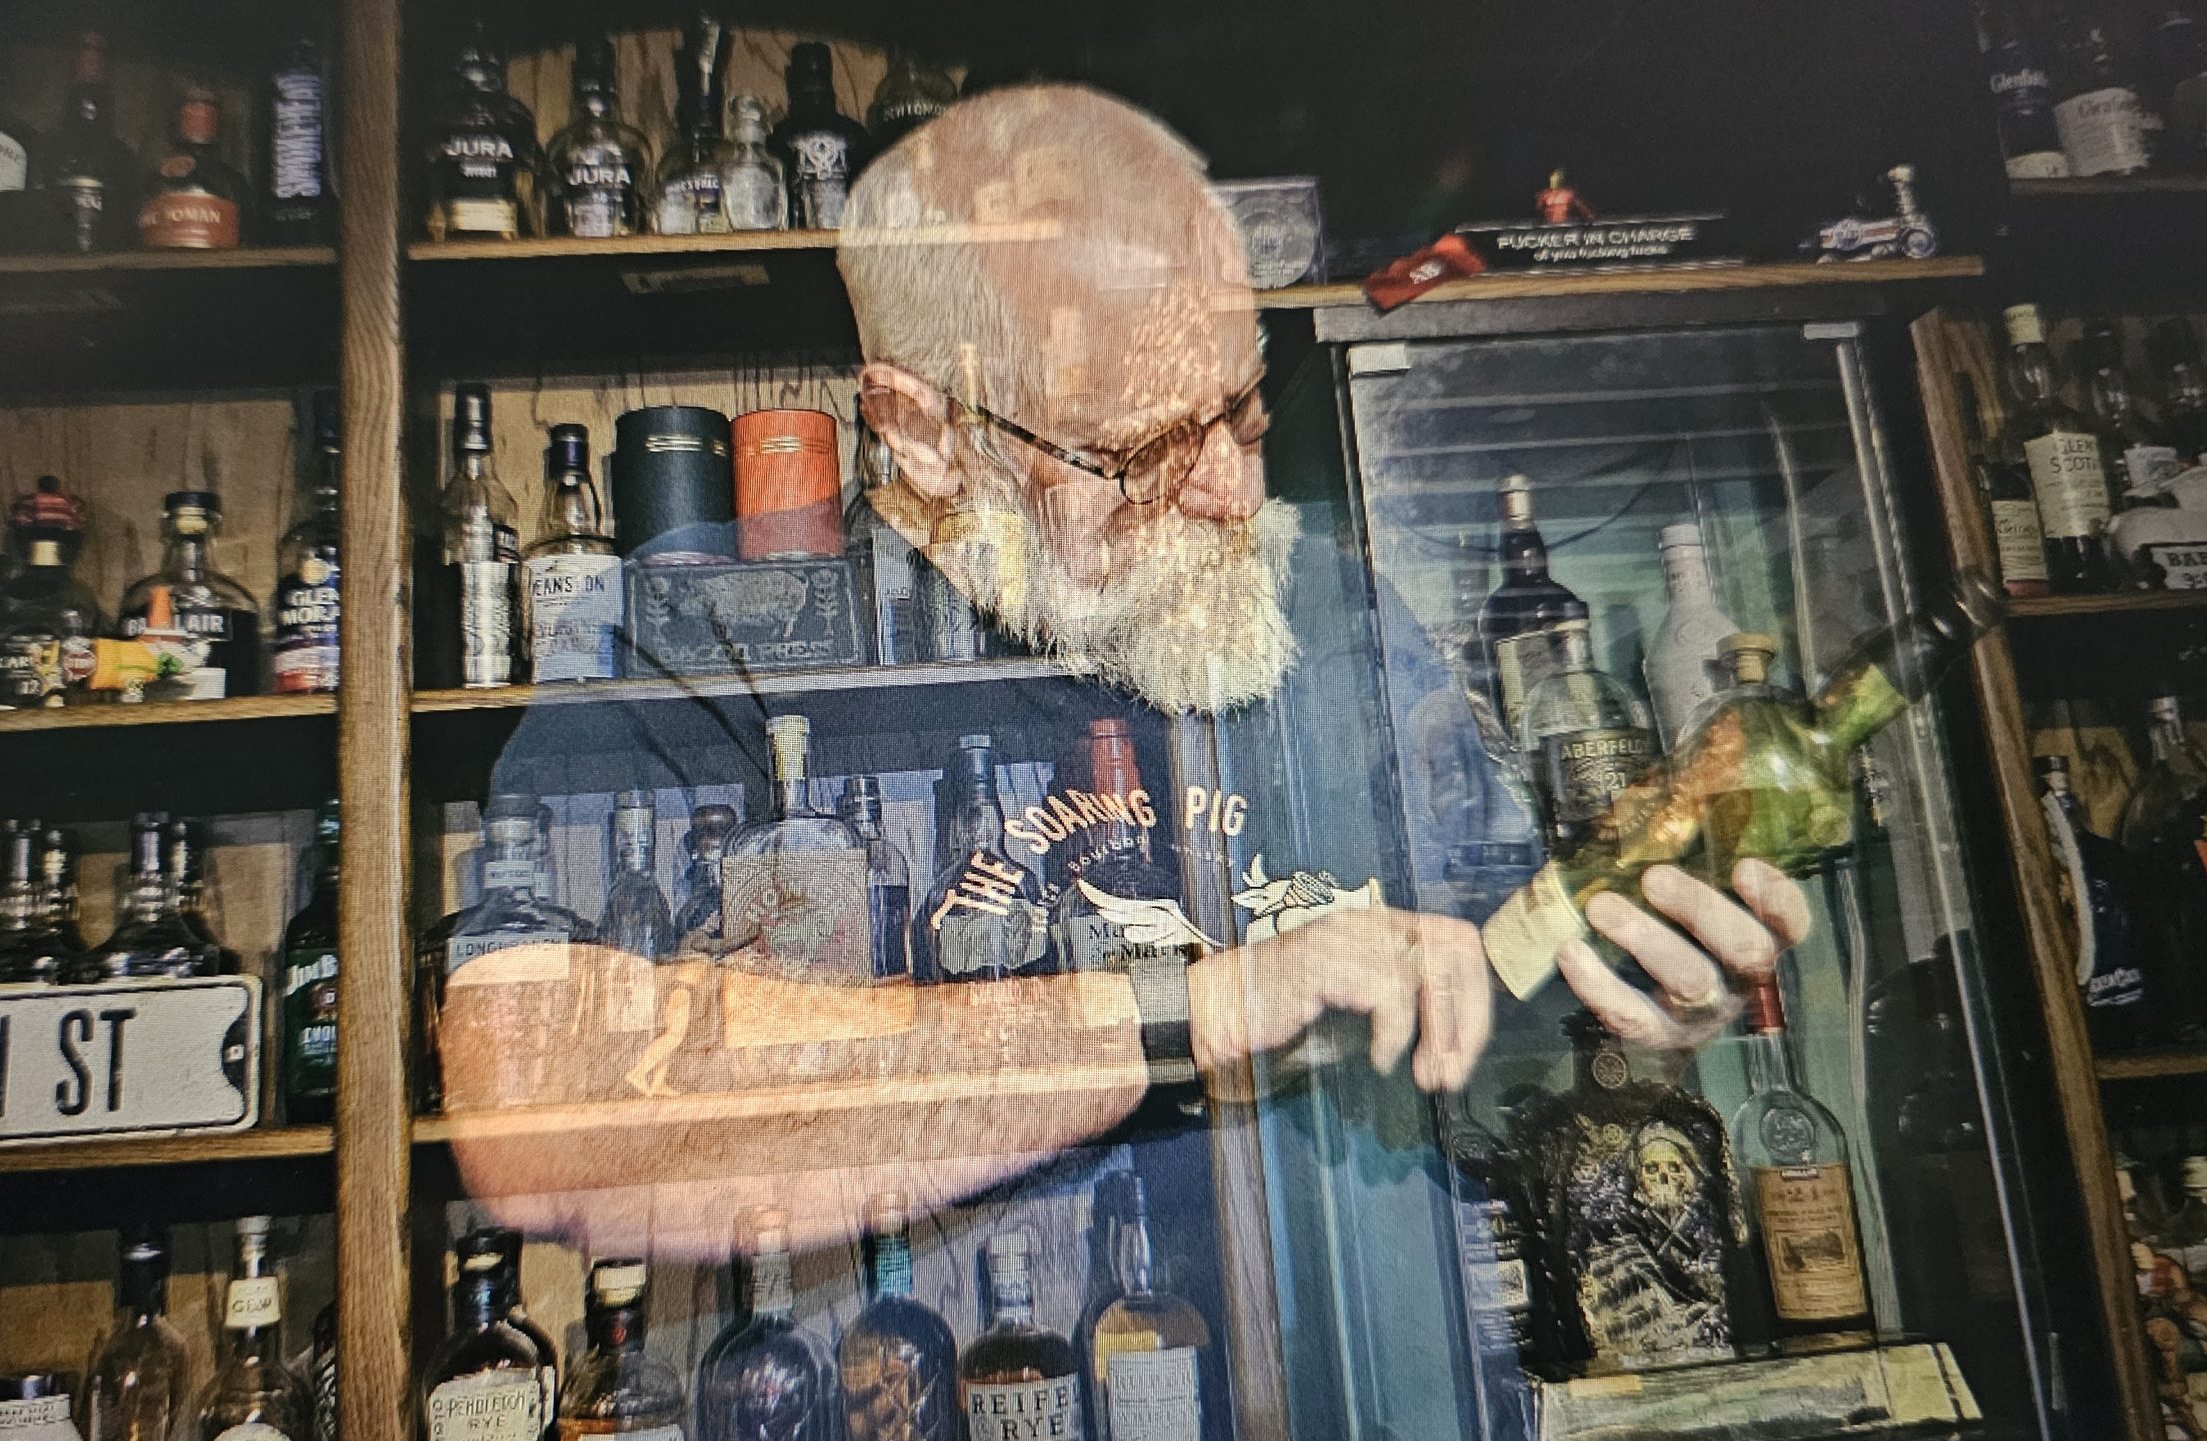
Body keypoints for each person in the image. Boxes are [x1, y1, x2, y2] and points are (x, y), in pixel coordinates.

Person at [439, 85, 1806, 1262]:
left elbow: (1495, 971)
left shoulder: (1320, 610)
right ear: (922, 433)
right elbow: (533, 1116)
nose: (1231, 491)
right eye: (1147, 451)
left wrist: (1626, 989)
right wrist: (1205, 1006)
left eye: (1247, 414)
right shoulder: (696, 636)